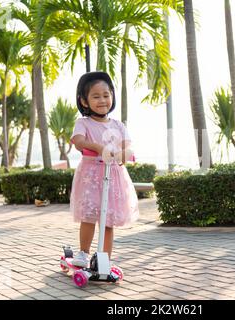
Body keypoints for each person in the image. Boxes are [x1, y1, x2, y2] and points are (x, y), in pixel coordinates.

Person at [69, 71, 139, 267]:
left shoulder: (118, 125)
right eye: (96, 96)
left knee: (108, 220)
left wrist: (125, 153)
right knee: (90, 215)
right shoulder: (84, 123)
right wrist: (99, 148)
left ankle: (104, 259)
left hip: (113, 176)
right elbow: (79, 141)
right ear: (84, 101)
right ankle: (83, 253)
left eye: (106, 95)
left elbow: (127, 145)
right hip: (91, 176)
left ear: (112, 96)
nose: (102, 100)